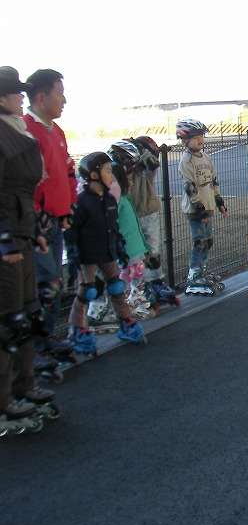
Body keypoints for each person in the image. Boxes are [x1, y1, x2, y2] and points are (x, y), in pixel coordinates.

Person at [0, 66, 57, 435]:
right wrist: (4, 237)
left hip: (20, 235)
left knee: (28, 315)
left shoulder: (16, 131)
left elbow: (20, 192)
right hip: (7, 244)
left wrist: (33, 229)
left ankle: (24, 386)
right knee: (9, 322)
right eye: (15, 93)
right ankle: (3, 400)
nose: (21, 98)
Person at [65, 152, 147, 357]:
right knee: (88, 291)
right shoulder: (82, 202)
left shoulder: (109, 199)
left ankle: (125, 321)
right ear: (94, 175)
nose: (112, 175)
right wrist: (73, 256)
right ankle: (77, 329)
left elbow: (113, 227)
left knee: (116, 287)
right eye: (108, 171)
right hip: (87, 255)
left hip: (107, 252)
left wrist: (120, 248)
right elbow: (72, 232)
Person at [24, 69, 77, 366]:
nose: (64, 100)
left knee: (54, 281)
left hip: (57, 221)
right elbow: (23, 182)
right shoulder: (27, 131)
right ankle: (35, 347)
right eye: (60, 93)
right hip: (39, 224)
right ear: (41, 97)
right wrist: (37, 216)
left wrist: (68, 207)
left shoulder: (56, 131)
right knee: (44, 285)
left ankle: (46, 339)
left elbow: (68, 171)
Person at [124, 135, 179, 309]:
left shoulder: (147, 168)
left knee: (153, 251)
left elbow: (152, 169)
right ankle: (140, 286)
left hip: (149, 213)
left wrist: (148, 158)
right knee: (139, 255)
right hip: (134, 215)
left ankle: (156, 280)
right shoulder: (129, 171)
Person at [177, 119, 228, 294]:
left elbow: (213, 182)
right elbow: (189, 187)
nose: (200, 140)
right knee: (199, 241)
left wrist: (219, 202)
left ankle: (202, 270)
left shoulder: (206, 157)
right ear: (185, 141)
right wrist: (200, 209)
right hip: (196, 210)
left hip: (208, 206)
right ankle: (194, 274)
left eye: (201, 136)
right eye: (195, 137)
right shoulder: (186, 160)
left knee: (208, 241)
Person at [108, 143, 152, 319]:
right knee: (126, 274)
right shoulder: (117, 199)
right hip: (127, 247)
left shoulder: (125, 198)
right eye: (129, 179)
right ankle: (122, 302)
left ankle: (135, 296)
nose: (132, 182)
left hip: (135, 245)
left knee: (138, 271)